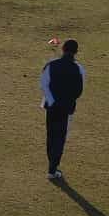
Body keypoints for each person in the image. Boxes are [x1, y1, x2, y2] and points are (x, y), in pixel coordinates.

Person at [40, 39, 85, 180]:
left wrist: (52, 101)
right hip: (65, 109)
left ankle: (52, 166)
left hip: (51, 107)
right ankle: (52, 169)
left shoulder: (51, 64)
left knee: (51, 135)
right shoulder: (79, 69)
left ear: (63, 49)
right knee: (59, 138)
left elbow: (44, 84)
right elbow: (78, 91)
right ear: (76, 52)